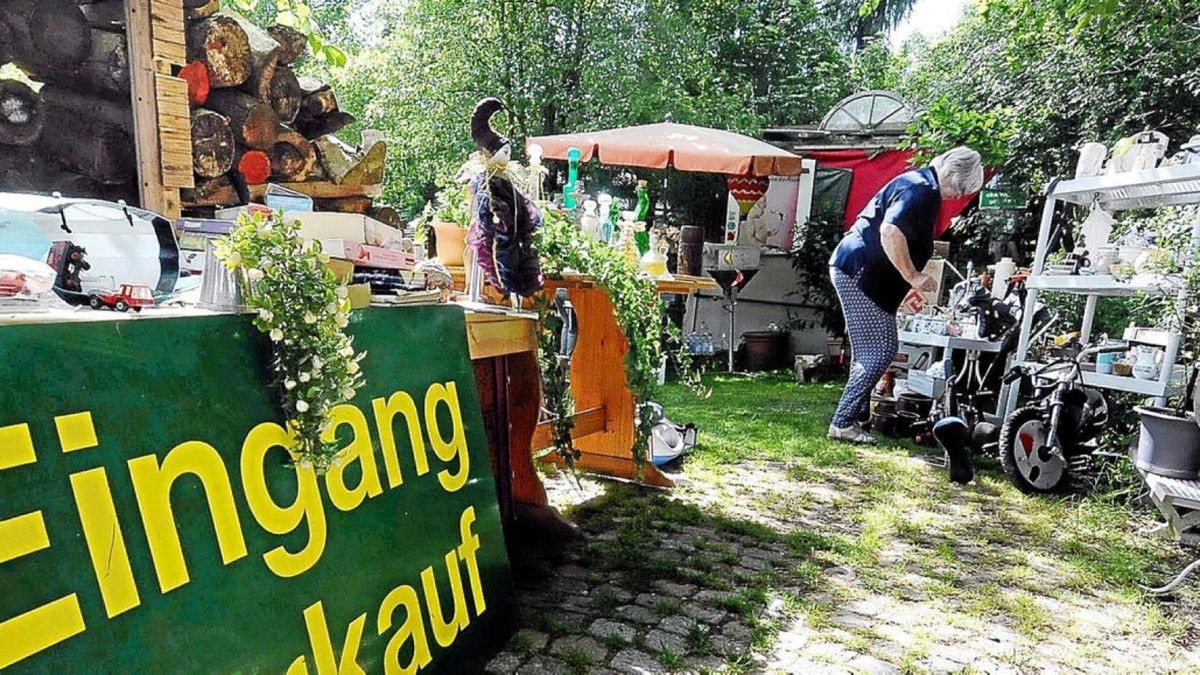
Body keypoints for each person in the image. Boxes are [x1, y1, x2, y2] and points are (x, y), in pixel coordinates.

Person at [826, 147, 985, 445]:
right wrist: (912, 275)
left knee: (868, 352)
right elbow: (890, 231)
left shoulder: (918, 183)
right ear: (953, 175)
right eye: (960, 189)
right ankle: (843, 422)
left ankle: (856, 415)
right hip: (862, 273)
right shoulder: (922, 190)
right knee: (882, 349)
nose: (957, 197)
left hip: (858, 270)